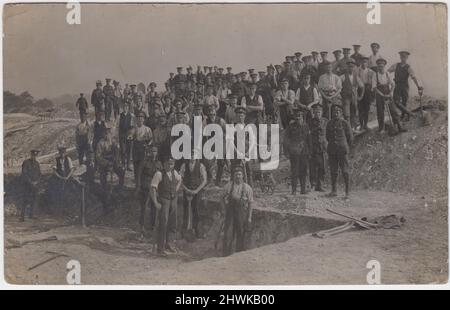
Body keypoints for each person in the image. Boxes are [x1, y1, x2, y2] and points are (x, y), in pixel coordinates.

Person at [150, 158, 182, 256]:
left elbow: (180, 179)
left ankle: (169, 243)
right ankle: (160, 248)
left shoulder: (174, 173)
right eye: (168, 164)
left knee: (172, 223)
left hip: (173, 200)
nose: (170, 166)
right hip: (164, 200)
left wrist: (176, 190)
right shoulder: (159, 174)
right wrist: (155, 202)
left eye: (172, 164)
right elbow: (153, 188)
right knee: (163, 223)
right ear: (164, 164)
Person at [221, 165, 254, 257]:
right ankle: (226, 255)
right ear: (233, 176)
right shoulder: (228, 186)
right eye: (236, 174)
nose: (238, 176)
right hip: (230, 213)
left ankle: (239, 255)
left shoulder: (247, 188)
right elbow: (221, 198)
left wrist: (249, 217)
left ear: (242, 175)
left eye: (239, 174)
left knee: (241, 234)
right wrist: (223, 210)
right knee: (228, 234)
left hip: (241, 214)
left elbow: (251, 203)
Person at [372, 58, 407, 133]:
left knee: (393, 110)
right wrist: (382, 95)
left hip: (388, 92)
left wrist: (390, 93)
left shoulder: (387, 74)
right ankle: (381, 128)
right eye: (379, 66)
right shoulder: (375, 75)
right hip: (379, 94)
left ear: (384, 66)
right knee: (380, 112)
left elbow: (393, 84)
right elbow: (374, 88)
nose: (380, 67)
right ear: (377, 67)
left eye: (382, 66)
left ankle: (399, 126)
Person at [179, 149, 208, 240]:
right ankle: (183, 232)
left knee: (196, 211)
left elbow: (204, 180)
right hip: (186, 191)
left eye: (194, 154)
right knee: (186, 211)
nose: (192, 156)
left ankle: (197, 232)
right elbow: (180, 179)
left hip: (197, 191)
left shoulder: (201, 166)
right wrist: (185, 189)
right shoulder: (184, 165)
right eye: (191, 154)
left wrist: (197, 190)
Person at [326, 104, 353, 198]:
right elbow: (327, 137)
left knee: (345, 171)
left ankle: (347, 192)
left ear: (341, 113)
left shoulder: (345, 123)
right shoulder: (329, 123)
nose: (336, 113)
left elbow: (350, 137)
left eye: (338, 112)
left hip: (342, 150)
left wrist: (346, 147)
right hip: (332, 150)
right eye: (335, 111)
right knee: (333, 171)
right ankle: (334, 191)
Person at [96, 124, 125, 212]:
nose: (107, 134)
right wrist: (107, 163)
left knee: (121, 172)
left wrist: (115, 162)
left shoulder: (113, 141)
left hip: (113, 162)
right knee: (104, 183)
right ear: (103, 133)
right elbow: (98, 157)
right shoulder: (100, 143)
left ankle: (120, 190)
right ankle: (106, 204)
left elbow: (117, 153)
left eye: (108, 132)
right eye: (105, 132)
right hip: (104, 164)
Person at [388, 50, 423, 121]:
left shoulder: (408, 67)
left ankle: (403, 116)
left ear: (407, 58)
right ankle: (409, 113)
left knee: (404, 102)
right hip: (397, 86)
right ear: (400, 57)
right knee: (396, 101)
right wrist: (388, 80)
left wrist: (418, 86)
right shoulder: (396, 65)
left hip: (405, 86)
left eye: (404, 57)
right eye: (402, 57)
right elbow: (388, 72)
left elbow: (413, 77)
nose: (403, 58)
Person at [135, 144, 162, 235]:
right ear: (149, 152)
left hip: (155, 188)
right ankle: (141, 226)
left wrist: (160, 189)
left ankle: (152, 226)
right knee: (143, 207)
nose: (153, 153)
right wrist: (138, 186)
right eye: (152, 151)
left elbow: (161, 177)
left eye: (155, 151)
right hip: (145, 186)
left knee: (154, 206)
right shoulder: (144, 162)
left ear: (157, 153)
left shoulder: (159, 163)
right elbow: (139, 174)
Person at [284, 107, 311, 195]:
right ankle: (294, 190)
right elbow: (286, 140)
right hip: (294, 152)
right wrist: (286, 152)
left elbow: (309, 140)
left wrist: (310, 152)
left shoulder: (306, 126)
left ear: (302, 117)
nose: (298, 117)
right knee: (294, 171)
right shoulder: (290, 127)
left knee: (303, 171)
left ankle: (303, 189)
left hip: (304, 152)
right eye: (296, 116)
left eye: (300, 116)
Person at [128, 111, 153, 183]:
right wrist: (130, 136)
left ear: (144, 119)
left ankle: (140, 186)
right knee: (136, 168)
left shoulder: (147, 129)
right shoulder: (134, 128)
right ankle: (137, 185)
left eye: (142, 117)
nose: (140, 119)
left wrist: (147, 144)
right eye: (139, 117)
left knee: (141, 168)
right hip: (136, 149)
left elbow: (151, 139)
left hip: (143, 149)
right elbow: (130, 136)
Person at [340, 61, 364, 130]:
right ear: (347, 68)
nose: (350, 68)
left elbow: (362, 86)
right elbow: (338, 87)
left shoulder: (356, 77)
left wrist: (361, 96)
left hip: (354, 97)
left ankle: (353, 127)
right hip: (346, 97)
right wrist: (340, 95)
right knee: (346, 113)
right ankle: (348, 128)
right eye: (349, 67)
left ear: (354, 68)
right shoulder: (342, 77)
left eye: (352, 67)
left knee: (354, 111)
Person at [309, 104, 328, 191]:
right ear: (313, 113)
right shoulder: (310, 122)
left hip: (323, 147)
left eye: (319, 112)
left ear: (322, 112)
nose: (317, 114)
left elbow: (329, 134)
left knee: (322, 167)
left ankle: (320, 185)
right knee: (313, 166)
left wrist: (327, 143)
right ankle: (313, 184)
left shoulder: (326, 121)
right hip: (313, 146)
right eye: (316, 112)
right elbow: (308, 134)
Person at [20, 150, 41, 221]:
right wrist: (31, 182)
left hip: (35, 185)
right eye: (33, 155)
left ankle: (31, 214)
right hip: (27, 185)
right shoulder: (26, 162)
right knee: (25, 200)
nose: (34, 157)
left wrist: (37, 182)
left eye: (35, 155)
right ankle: (22, 216)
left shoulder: (37, 163)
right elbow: (24, 174)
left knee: (34, 199)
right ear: (31, 155)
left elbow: (39, 174)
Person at [357, 56, 374, 129]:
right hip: (360, 90)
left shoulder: (371, 71)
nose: (364, 64)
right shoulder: (357, 71)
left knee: (366, 108)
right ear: (360, 62)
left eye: (365, 62)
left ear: (367, 63)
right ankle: (361, 124)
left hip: (367, 90)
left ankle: (365, 124)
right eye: (362, 62)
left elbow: (373, 82)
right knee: (360, 109)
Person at [118, 103, 135, 170]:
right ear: (122, 107)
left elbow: (133, 126)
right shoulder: (119, 116)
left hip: (129, 136)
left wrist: (131, 134)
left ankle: (128, 165)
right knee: (123, 150)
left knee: (129, 151)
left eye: (127, 107)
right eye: (124, 106)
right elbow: (117, 126)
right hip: (122, 136)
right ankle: (123, 164)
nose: (125, 108)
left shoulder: (132, 116)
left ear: (128, 108)